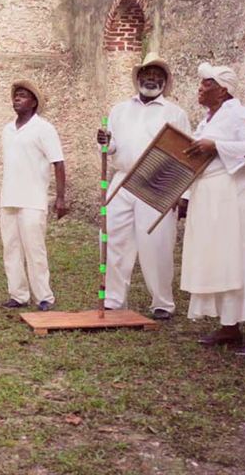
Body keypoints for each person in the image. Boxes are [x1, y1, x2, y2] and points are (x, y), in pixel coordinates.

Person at [180, 62, 245, 358]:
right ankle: (230, 326)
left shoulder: (239, 112)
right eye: (201, 83)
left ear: (223, 89)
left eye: (207, 84)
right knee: (226, 260)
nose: (200, 88)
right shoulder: (208, 119)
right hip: (221, 198)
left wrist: (216, 145)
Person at [96, 53, 191, 320]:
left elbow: (187, 154)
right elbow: (111, 147)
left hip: (159, 182)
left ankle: (162, 302)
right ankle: (114, 299)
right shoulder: (119, 109)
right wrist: (104, 141)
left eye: (157, 75)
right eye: (147, 74)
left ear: (165, 81)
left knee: (157, 243)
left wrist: (183, 194)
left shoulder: (175, 113)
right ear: (138, 78)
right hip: (123, 178)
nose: (151, 79)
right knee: (113, 237)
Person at [0, 80, 68, 311]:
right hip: (9, 197)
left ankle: (44, 297)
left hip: (33, 199)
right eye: (15, 95)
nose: (17, 99)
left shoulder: (44, 128)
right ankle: (18, 295)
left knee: (34, 249)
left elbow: (58, 163)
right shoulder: (8, 130)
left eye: (23, 96)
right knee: (11, 249)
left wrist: (60, 198)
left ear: (34, 102)